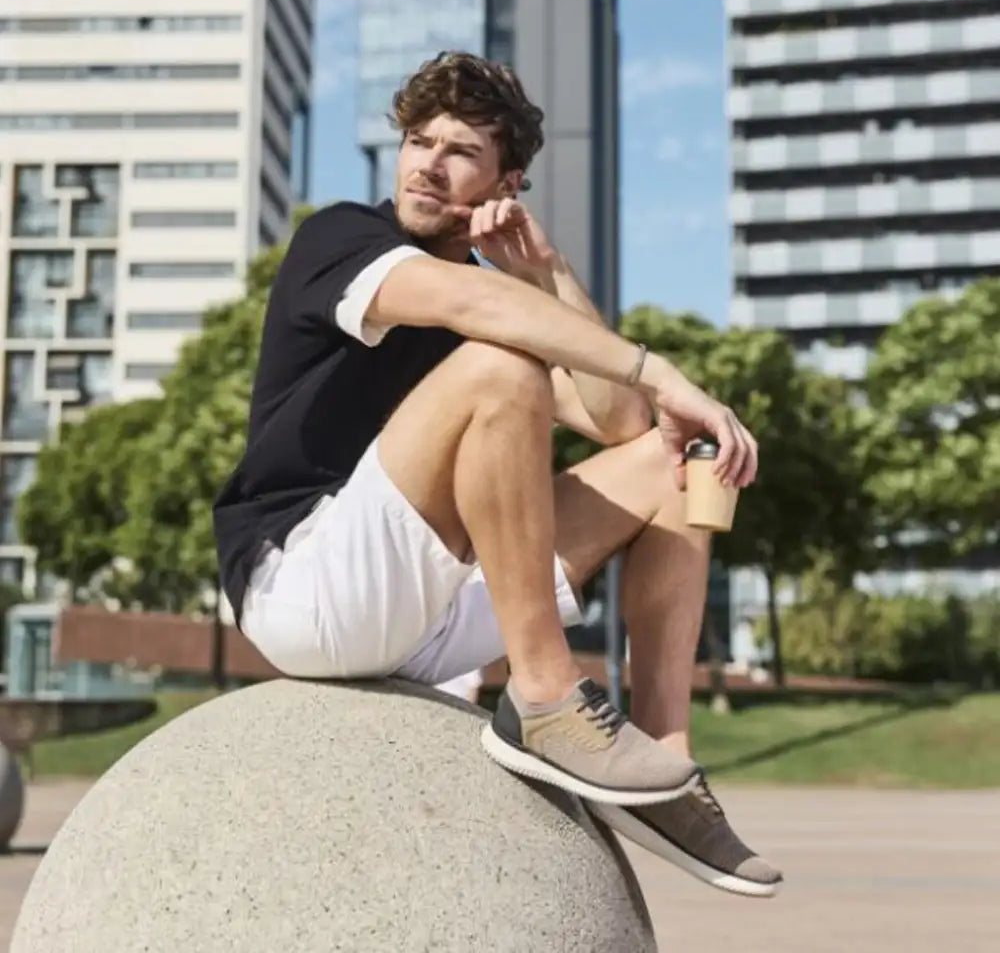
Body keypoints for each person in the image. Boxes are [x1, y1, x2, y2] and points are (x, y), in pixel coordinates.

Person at [213, 51, 782, 898]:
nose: (427, 166)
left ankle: (667, 762)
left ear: (505, 182)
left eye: (460, 152)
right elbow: (470, 306)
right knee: (503, 366)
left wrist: (547, 271)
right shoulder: (344, 239)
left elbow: (620, 423)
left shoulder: (502, 295)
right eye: (418, 142)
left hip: (429, 605)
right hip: (311, 588)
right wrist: (662, 371)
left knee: (677, 459)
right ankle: (547, 697)